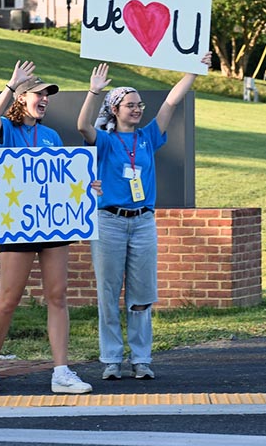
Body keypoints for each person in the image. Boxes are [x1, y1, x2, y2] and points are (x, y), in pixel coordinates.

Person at [77, 54, 210, 381]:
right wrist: (94, 92)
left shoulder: (148, 137)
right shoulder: (106, 141)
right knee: (108, 294)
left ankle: (141, 359)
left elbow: (171, 102)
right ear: (115, 110)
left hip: (142, 223)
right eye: (130, 105)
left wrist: (193, 71)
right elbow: (82, 126)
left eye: (139, 105)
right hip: (108, 222)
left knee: (141, 294)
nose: (137, 109)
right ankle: (111, 359)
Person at [0, 59, 93, 396]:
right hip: (18, 227)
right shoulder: (8, 130)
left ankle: (61, 372)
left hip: (54, 226)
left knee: (58, 297)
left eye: (47, 96)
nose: (44, 99)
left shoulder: (52, 135)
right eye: (38, 94)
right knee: (8, 300)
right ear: (22, 98)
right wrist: (11, 84)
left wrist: (86, 186)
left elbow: (62, 177)